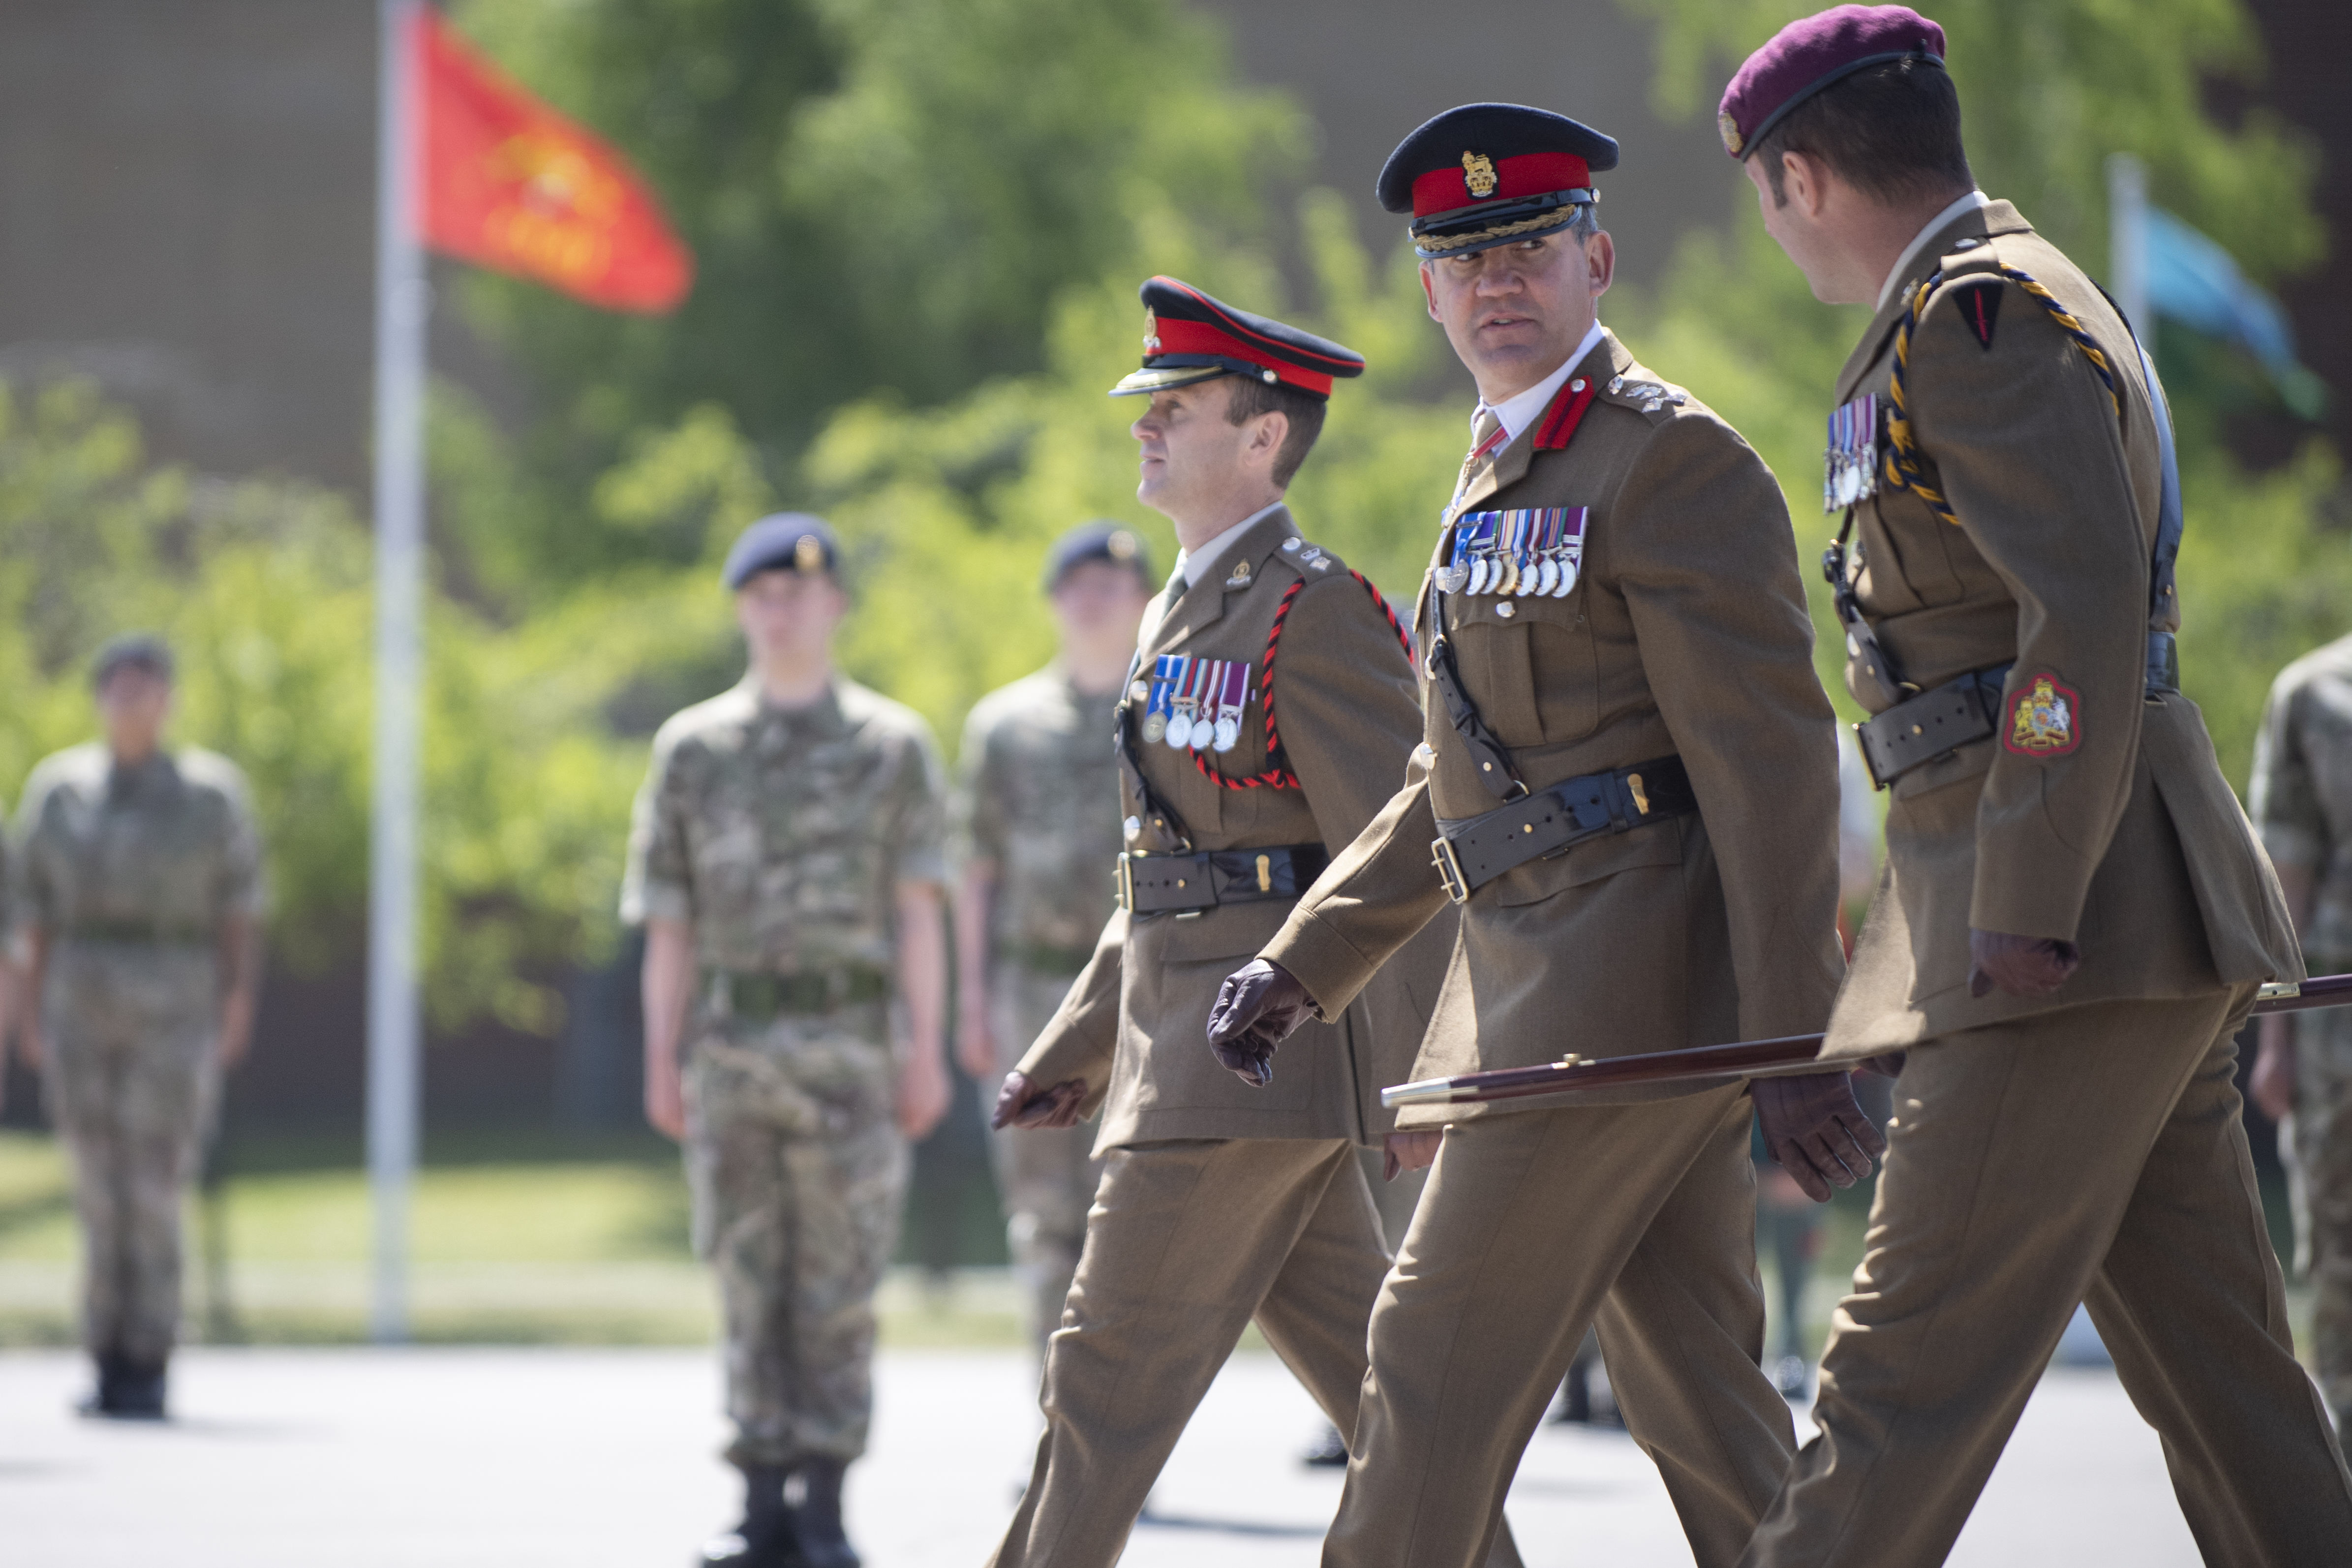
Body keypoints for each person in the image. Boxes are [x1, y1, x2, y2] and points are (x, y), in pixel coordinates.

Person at [1712, 7, 2352, 1562]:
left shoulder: (1973, 317)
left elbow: (2067, 623)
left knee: (1892, 1379)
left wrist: (2024, 906)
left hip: (2059, 939)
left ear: (1796, 175)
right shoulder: (1987, 298)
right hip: (2115, 923)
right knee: (2227, 1392)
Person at [1208, 104, 1870, 1568]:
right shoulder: (1497, 468)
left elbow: (1768, 773)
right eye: (1462, 256)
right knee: (1699, 1391)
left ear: (1598, 262)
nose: (1495, 280)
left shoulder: (1666, 461)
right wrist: (1303, 960)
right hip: (1533, 985)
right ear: (1427, 292)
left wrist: (1787, 1045)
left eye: (1527, 247)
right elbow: (1450, 779)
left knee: (1425, 1361)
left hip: (1617, 1010)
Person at [985, 277, 1506, 1568]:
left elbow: (1400, 851)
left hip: (1235, 1078)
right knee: (1386, 1414)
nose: (1144, 428)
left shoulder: (1306, 607)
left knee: (1095, 1392)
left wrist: (1422, 1079)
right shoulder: (1176, 605)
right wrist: (1077, 1042)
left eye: (1177, 407)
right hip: (1201, 1065)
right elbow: (1164, 874)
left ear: (1262, 436)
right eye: (1146, 406)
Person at [622, 514, 951, 1568]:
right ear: (741, 610)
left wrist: (927, 1049)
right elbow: (667, 922)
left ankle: (826, 1504)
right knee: (747, 1272)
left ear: (835, 606)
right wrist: (659, 1056)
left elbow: (918, 912)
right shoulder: (694, 749)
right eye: (763, 592)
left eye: (802, 591)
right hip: (729, 1046)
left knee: (840, 1282)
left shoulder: (891, 746)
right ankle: (758, 1504)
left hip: (853, 1046)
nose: (783, 608)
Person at [10, 633, 266, 1420]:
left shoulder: (209, 795)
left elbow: (240, 911)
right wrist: (23, 1008)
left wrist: (237, 1002)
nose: (133, 704)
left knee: (154, 1185)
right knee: (95, 1186)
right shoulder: (59, 792)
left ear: (169, 700)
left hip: (173, 1008)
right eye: (119, 690)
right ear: (98, 700)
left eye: (147, 689)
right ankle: (104, 1355)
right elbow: (31, 918)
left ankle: (149, 1358)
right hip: (80, 1007)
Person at [953, 521, 1154, 1360]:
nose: (1094, 595)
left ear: (1146, 598)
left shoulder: (1169, 712)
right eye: (1076, 580)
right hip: (1032, 992)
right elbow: (976, 868)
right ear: (1053, 600)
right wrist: (971, 1004)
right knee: (1043, 1221)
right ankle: (1053, 1423)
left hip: (1145, 998)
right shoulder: (1005, 726)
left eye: (1113, 580)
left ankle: (1115, 1436)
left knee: (1135, 1216)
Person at [2249, 635, 2352, 1437]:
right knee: (2337, 1242)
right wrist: (2277, 1039)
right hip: (2336, 1016)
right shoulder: (2314, 691)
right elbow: (2285, 863)